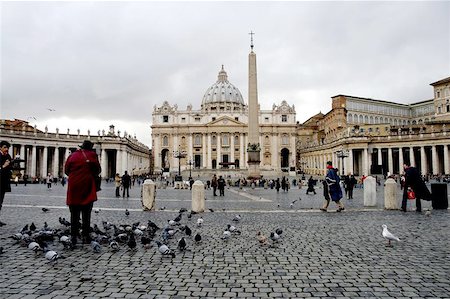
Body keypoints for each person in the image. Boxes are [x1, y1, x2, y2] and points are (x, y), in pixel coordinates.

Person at [64, 140, 101, 246]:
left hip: (74, 187)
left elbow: (66, 170)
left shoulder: (72, 155)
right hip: (87, 186)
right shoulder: (92, 155)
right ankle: (85, 236)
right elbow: (98, 170)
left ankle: (74, 237)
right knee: (86, 213)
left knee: (74, 214)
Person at [0, 141, 12, 226]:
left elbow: (9, 167)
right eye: (5, 147)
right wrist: (4, 166)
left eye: (7, 147)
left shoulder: (8, 156)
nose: (6, 149)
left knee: (0, 202)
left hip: (4, 182)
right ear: (0, 147)